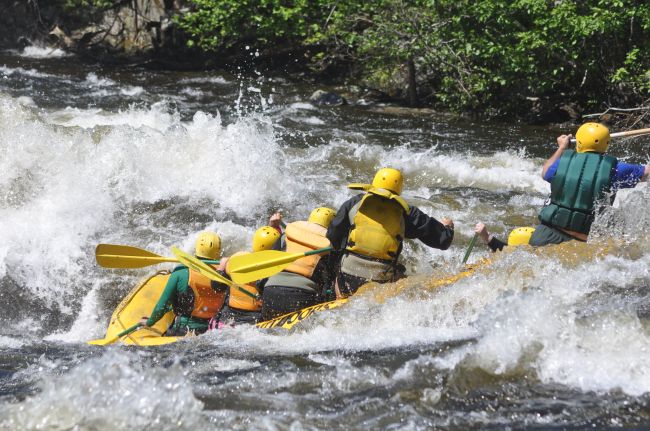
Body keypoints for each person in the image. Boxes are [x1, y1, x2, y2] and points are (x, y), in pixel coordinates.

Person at [327, 167, 455, 297]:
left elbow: (333, 236)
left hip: (347, 277)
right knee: (403, 274)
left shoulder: (354, 203)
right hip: (380, 280)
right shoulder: (406, 212)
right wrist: (447, 228)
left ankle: (337, 295)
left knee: (336, 269)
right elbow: (442, 240)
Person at [530, 122, 649, 246]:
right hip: (581, 243)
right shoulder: (616, 170)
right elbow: (647, 173)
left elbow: (545, 173)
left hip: (545, 234)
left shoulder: (562, 163)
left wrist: (561, 148)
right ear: (606, 144)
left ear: (579, 142)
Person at [139, 231, 227, 336]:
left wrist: (149, 322)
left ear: (196, 248)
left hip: (183, 330)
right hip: (212, 331)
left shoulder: (181, 272)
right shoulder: (225, 276)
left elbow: (162, 306)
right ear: (219, 251)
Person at [260, 207, 337, 321]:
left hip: (271, 291)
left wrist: (273, 227)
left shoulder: (286, 235)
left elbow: (269, 263)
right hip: (303, 295)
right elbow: (329, 280)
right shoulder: (330, 244)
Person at [219, 226, 281, 325]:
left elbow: (217, 287)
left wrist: (221, 268)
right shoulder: (274, 270)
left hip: (228, 318)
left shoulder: (236, 259)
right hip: (253, 322)